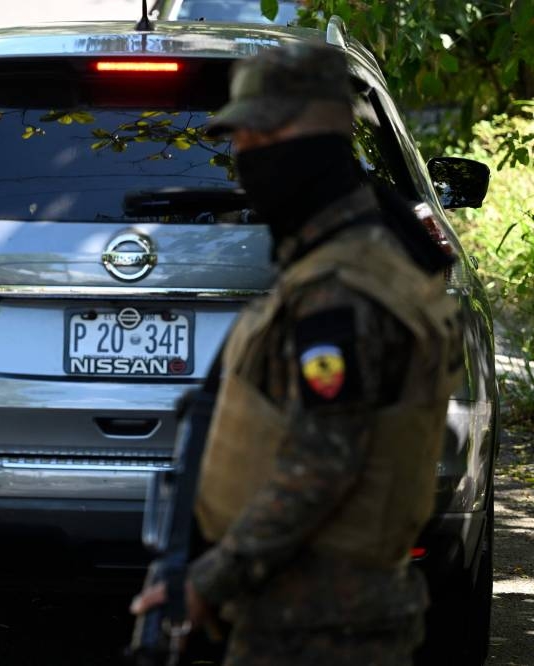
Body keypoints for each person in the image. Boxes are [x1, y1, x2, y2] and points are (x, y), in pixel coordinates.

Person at [130, 43, 463, 664]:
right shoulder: (344, 257)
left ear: (306, 139)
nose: (240, 158)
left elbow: (321, 467)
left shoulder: (342, 288)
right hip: (311, 612)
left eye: (255, 137)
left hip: (320, 625)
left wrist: (208, 581)